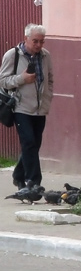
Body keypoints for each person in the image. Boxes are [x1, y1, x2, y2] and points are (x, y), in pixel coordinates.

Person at [1, 24, 54, 190]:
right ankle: (34, 182)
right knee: (29, 142)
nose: (38, 45)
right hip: (20, 107)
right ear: (26, 39)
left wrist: (48, 96)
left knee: (34, 144)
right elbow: (3, 81)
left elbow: (50, 79)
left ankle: (18, 175)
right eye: (35, 41)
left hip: (40, 108)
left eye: (42, 41)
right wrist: (22, 78)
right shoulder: (13, 55)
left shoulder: (45, 56)